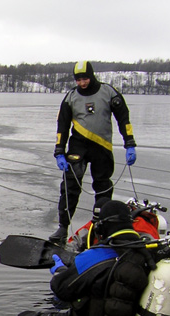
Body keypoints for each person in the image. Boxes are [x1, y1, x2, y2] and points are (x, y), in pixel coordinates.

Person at [16, 200, 153, 316]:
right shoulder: (147, 255)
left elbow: (60, 289)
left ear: (102, 226)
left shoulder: (95, 256)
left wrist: (59, 270)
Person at [50, 61, 138, 244]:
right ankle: (62, 228)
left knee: (103, 187)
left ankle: (102, 226)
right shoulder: (70, 97)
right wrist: (59, 151)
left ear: (92, 76)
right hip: (78, 147)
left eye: (85, 78)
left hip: (102, 146)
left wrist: (129, 143)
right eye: (79, 80)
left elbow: (124, 118)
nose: (82, 83)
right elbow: (63, 126)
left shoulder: (108, 92)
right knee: (70, 187)